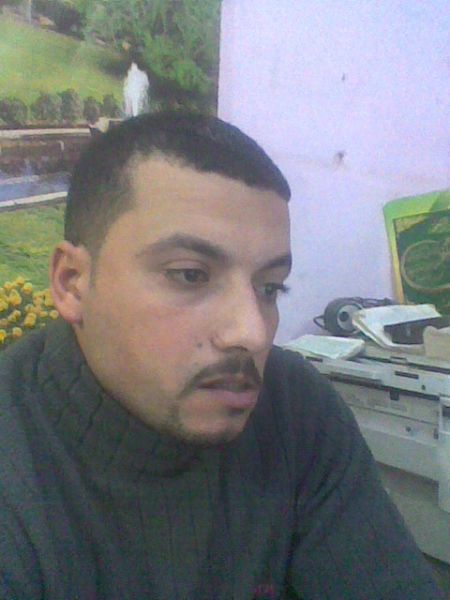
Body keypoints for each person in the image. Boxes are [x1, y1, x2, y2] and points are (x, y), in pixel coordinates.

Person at [0, 112, 445, 600]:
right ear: (72, 283)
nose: (252, 333)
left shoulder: (296, 409)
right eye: (190, 275)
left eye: (270, 288)